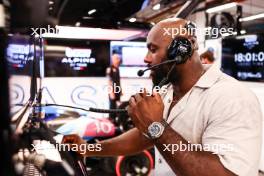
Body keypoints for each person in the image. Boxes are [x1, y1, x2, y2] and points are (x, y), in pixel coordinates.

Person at [62, 18, 262, 176]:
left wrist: (155, 127)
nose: (146, 58)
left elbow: (224, 173)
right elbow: (144, 137)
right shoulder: (167, 90)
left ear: (181, 51)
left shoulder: (232, 98)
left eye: (153, 49)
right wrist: (91, 149)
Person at [106, 51, 122, 120]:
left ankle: (116, 119)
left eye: (118, 58)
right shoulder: (109, 69)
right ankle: (111, 119)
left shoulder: (118, 69)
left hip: (117, 89)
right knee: (112, 106)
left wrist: (121, 90)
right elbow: (109, 81)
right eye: (116, 58)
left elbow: (118, 81)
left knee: (117, 105)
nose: (118, 60)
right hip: (112, 91)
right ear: (113, 60)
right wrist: (111, 92)